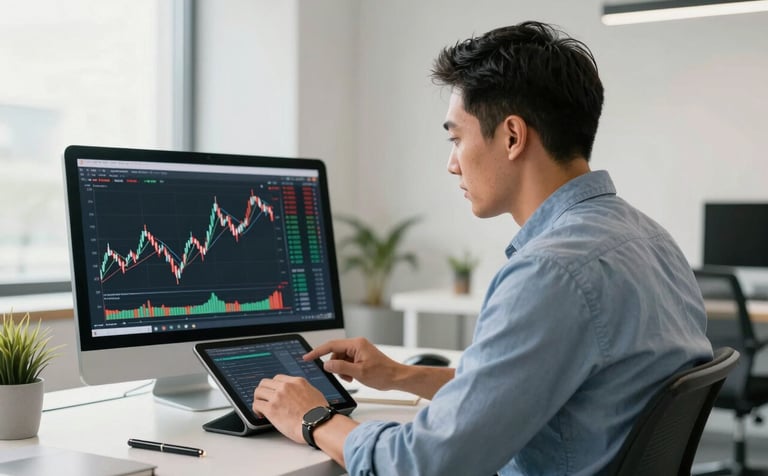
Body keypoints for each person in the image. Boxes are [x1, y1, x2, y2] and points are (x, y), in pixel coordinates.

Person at [251, 21, 713, 475]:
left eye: (456, 138)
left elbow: (426, 464)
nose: (451, 164)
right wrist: (399, 376)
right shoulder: (653, 241)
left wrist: (314, 419)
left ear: (512, 136)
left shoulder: (551, 273)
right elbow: (534, 390)